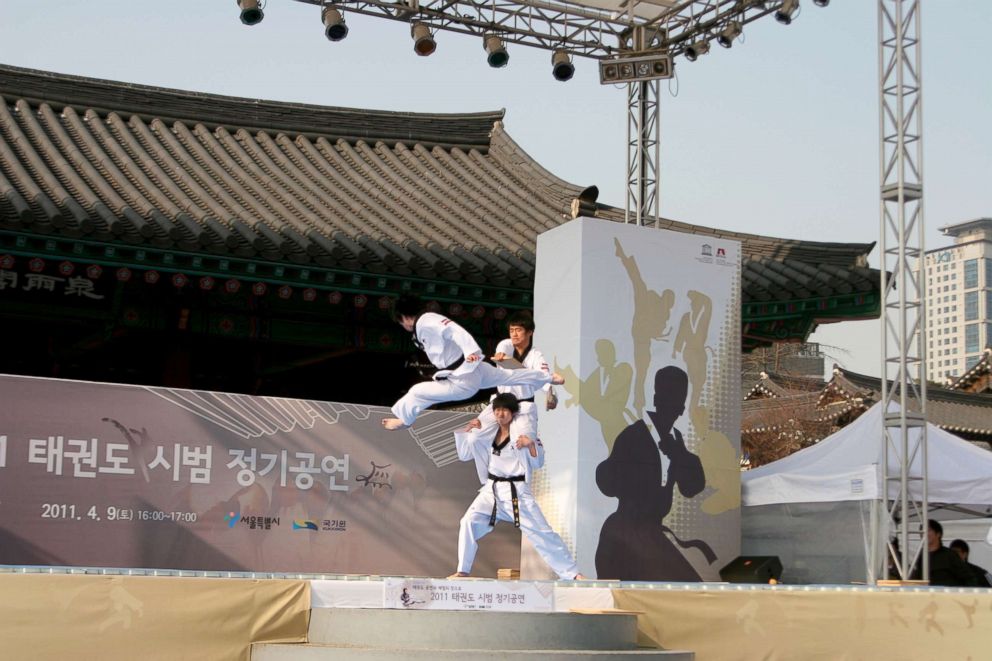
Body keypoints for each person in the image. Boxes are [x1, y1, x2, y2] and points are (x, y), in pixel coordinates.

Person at [595, 365, 716, 581]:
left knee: (688, 589)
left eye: (680, 397)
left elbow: (692, 487)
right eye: (669, 394)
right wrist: (635, 477)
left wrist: (679, 455)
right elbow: (606, 480)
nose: (675, 403)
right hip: (623, 533)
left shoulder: (675, 440)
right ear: (657, 397)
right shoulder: (635, 435)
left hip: (652, 533)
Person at [449, 393, 584, 580]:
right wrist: (470, 432)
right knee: (468, 522)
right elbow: (465, 454)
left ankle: (573, 574)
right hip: (491, 490)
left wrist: (530, 446)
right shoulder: (488, 432)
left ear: (513, 413)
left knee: (542, 533)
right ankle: (463, 570)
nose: (500, 414)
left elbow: (538, 463)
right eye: (497, 410)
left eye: (505, 410)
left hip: (517, 492)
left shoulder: (523, 435)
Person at [382, 295, 563, 430]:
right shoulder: (426, 321)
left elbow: (455, 331)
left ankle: (405, 420)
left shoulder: (426, 321)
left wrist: (471, 352)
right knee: (510, 375)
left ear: (404, 317)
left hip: (463, 379)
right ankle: (548, 377)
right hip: (474, 370)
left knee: (417, 392)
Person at [474, 310, 557, 432]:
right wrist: (500, 353)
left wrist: (551, 394)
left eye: (518, 330)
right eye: (511, 330)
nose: (514, 334)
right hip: (500, 404)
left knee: (522, 444)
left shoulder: (536, 356)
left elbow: (543, 376)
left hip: (522, 407)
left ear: (530, 332)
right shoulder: (506, 345)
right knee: (474, 434)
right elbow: (503, 347)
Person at [915, 520, 979, 587]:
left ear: (938, 534)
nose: (924, 534)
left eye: (929, 530)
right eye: (922, 531)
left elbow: (969, 577)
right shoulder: (920, 556)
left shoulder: (949, 555)